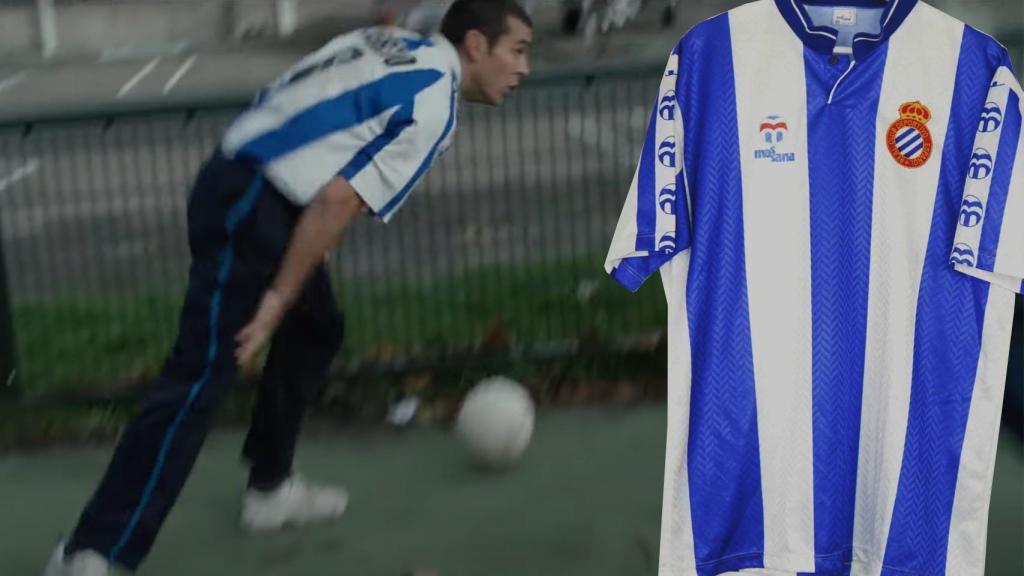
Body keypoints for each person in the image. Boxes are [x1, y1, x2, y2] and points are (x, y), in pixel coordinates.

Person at [43, 1, 532, 574]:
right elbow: (336, 200)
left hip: (245, 185)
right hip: (257, 203)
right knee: (199, 375)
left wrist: (294, 268)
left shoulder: (391, 44)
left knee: (318, 328)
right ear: (476, 45)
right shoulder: (434, 104)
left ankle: (270, 489)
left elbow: (303, 114)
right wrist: (274, 300)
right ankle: (92, 553)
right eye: (518, 50)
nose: (524, 68)